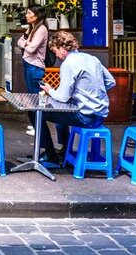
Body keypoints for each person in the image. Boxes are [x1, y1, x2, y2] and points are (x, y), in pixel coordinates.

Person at [37, 31, 114, 165]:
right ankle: (65, 149)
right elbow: (111, 82)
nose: (56, 55)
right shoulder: (92, 58)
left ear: (62, 48)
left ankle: (50, 154)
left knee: (37, 113)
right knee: (60, 116)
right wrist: (92, 93)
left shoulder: (68, 64)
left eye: (55, 51)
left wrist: (49, 90)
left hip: (87, 117)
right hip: (101, 115)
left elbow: (63, 97)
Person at [17, 5, 48, 137]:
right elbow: (19, 41)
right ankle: (37, 125)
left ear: (37, 15)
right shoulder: (31, 28)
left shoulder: (41, 29)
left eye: (29, 13)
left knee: (36, 98)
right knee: (33, 96)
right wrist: (26, 44)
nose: (27, 15)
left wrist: (27, 44)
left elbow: (31, 49)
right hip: (29, 65)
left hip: (35, 67)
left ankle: (40, 128)